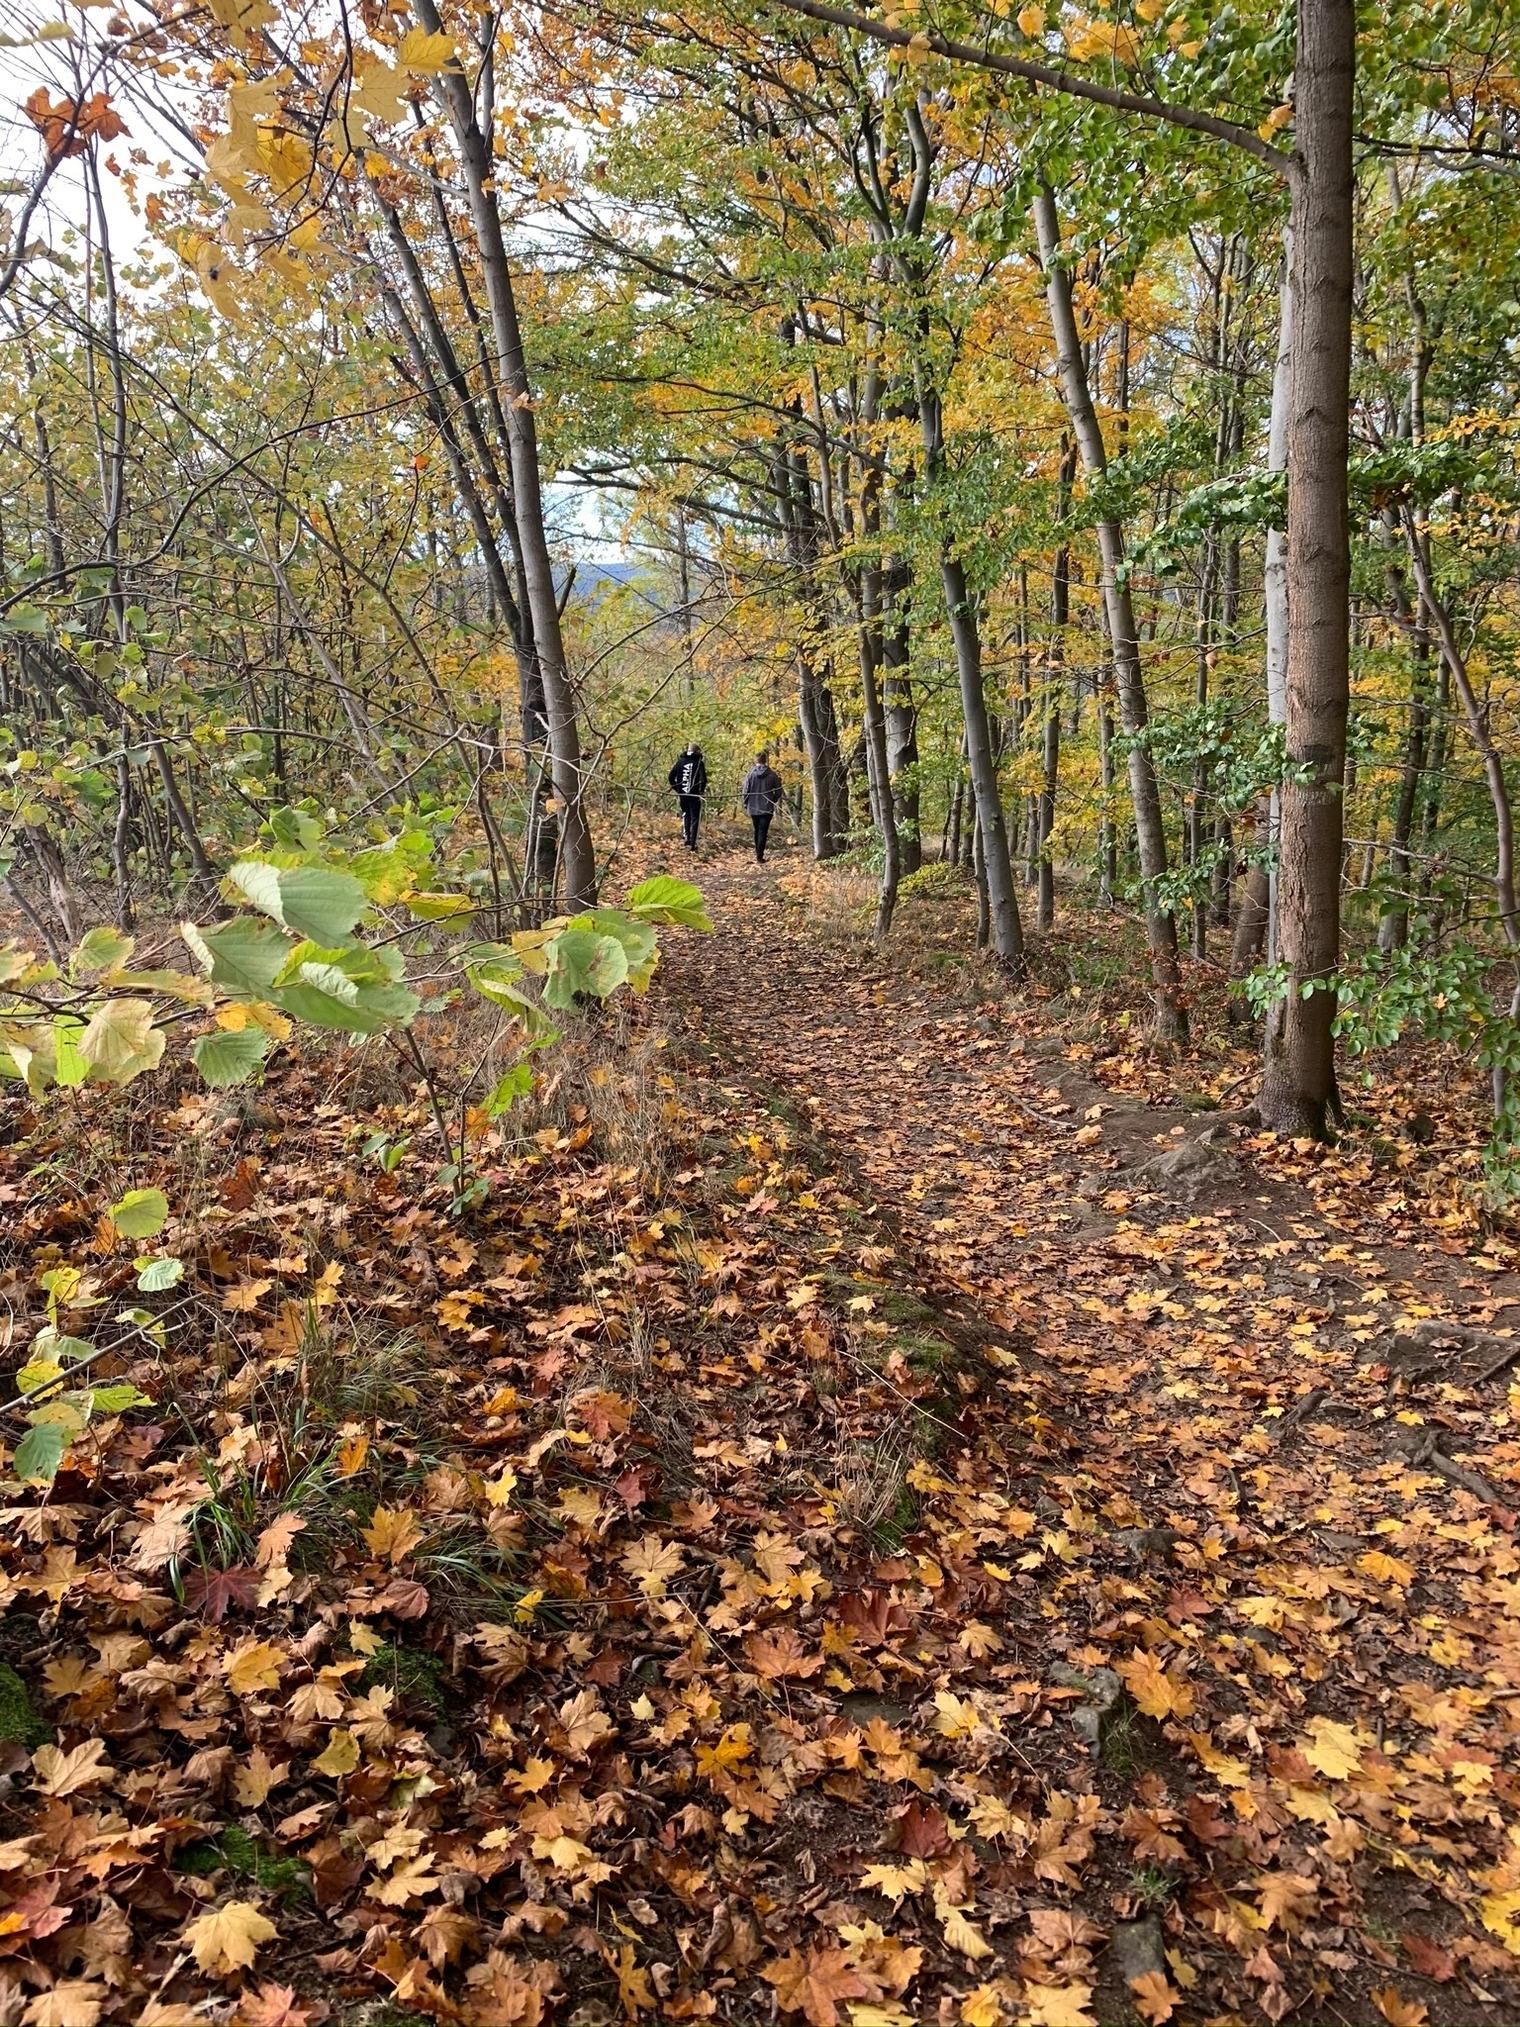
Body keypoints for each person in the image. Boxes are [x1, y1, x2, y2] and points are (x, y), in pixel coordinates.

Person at [741, 749, 784, 863]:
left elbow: (745, 791)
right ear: (766, 760)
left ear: (756, 760)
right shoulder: (772, 775)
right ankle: (759, 856)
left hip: (753, 807)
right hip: (766, 808)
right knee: (763, 831)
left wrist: (746, 803)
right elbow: (779, 791)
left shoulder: (750, 774)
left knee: (757, 830)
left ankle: (757, 853)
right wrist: (772, 800)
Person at [667, 742, 707, 851]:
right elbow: (703, 779)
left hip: (683, 795)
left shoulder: (680, 762)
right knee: (695, 818)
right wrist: (701, 791)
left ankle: (687, 838)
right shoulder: (699, 763)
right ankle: (693, 843)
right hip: (694, 795)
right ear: (697, 751)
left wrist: (678, 789)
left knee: (686, 815)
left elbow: (671, 777)